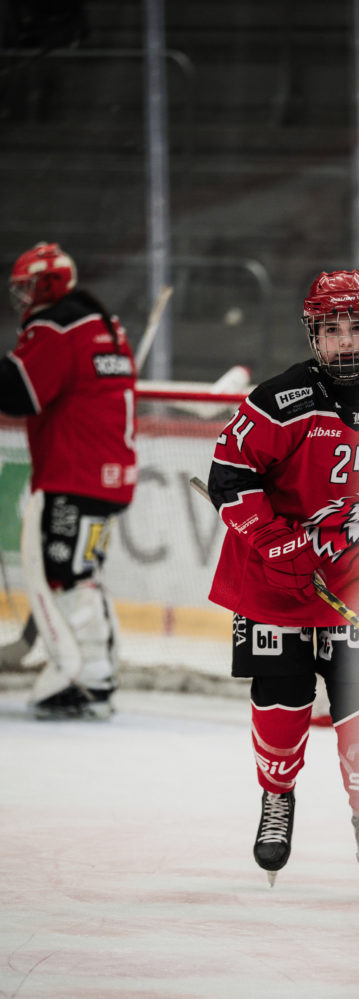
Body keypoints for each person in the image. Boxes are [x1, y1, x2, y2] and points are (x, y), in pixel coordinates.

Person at [207, 269, 359, 894]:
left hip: (356, 591)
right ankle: (277, 799)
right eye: (332, 331)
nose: (346, 342)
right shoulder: (280, 400)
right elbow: (228, 474)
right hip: (277, 588)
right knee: (282, 708)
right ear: (314, 335)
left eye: (356, 328)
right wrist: (276, 541)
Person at [0, 241, 137, 719]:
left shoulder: (56, 326)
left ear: (48, 285)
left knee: (67, 576)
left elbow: (20, 393)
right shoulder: (105, 324)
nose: (22, 298)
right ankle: (95, 673)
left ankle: (87, 677)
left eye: (27, 287)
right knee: (80, 573)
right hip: (108, 474)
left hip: (73, 474)